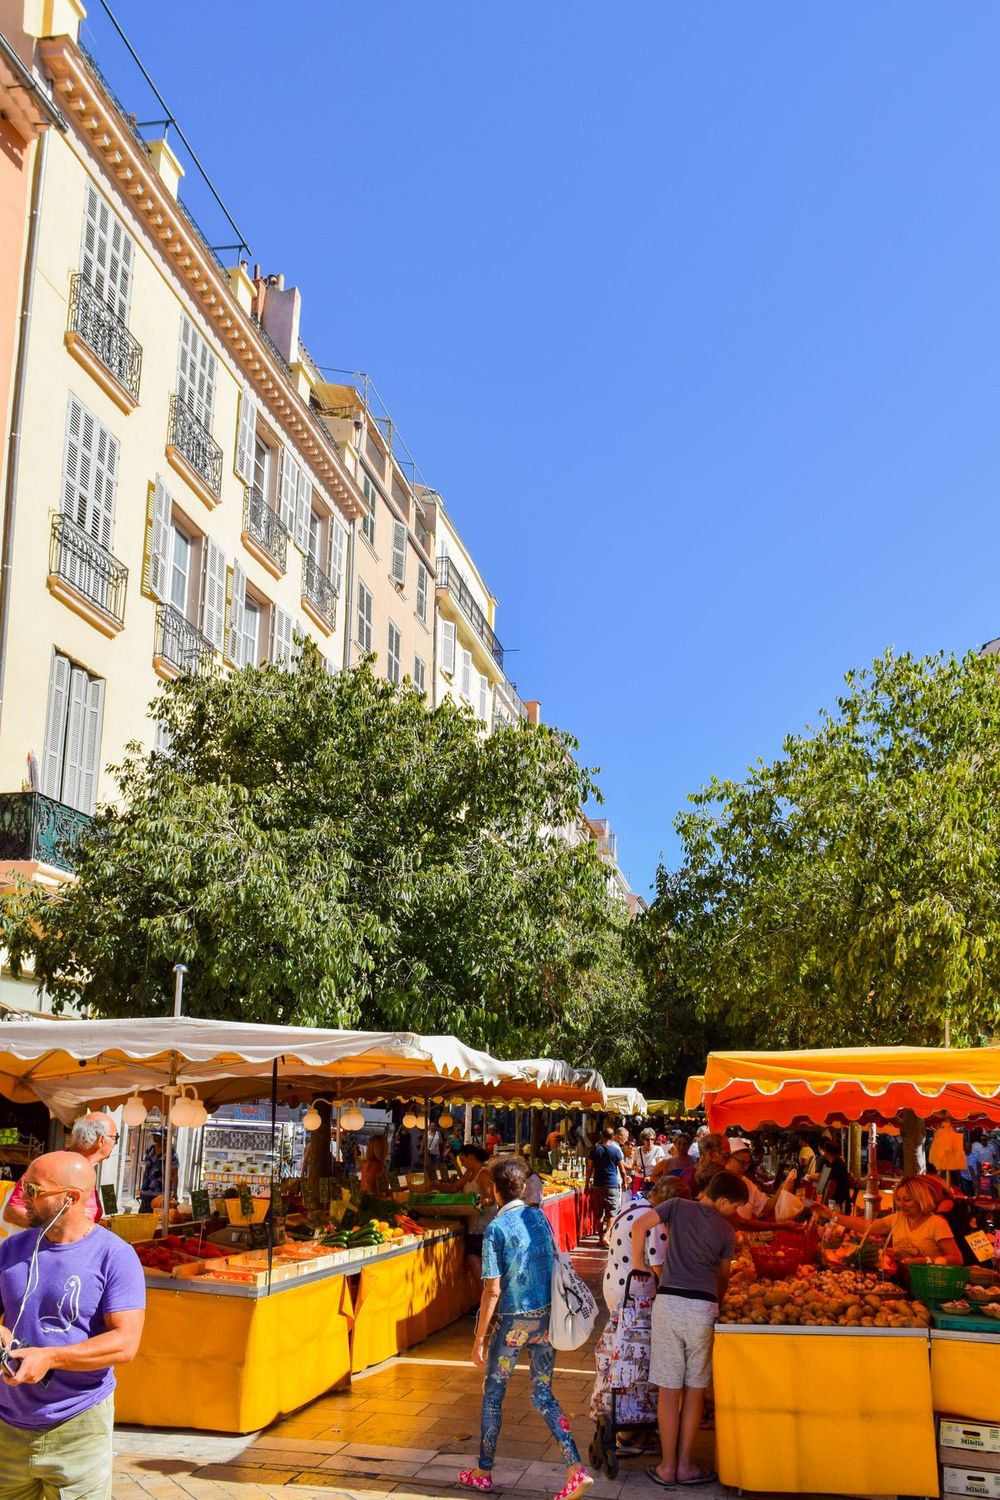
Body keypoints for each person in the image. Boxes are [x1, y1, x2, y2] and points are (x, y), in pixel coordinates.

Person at [0, 1151, 145, 1499]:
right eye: (23, 1187)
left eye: (34, 1190)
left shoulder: (116, 1255)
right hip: (7, 1424)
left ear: (71, 1198)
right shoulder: (11, 1249)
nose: (22, 1199)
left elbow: (125, 1343)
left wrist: (51, 1357)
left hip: (78, 1424)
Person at [461, 1156, 592, 1500]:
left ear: (495, 1189)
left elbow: (492, 1289)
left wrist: (478, 1340)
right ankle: (575, 1467)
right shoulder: (539, 1216)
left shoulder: (496, 1229)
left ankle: (484, 1471)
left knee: (493, 1395)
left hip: (513, 1322)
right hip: (546, 1320)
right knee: (543, 1393)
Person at [630, 1170, 750, 1488]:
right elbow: (722, 1277)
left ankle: (667, 1467)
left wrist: (638, 1263)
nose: (734, 1213)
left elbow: (640, 1225)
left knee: (669, 1390)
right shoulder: (726, 1230)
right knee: (695, 1390)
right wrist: (718, 1302)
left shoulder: (677, 1206)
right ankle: (685, 1465)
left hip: (668, 1304)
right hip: (702, 1309)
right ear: (723, 1200)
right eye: (734, 1206)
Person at [815, 1174, 963, 1265]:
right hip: (902, 1282)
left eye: (906, 1200)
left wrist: (928, 1261)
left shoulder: (936, 1223)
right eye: (898, 1199)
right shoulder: (897, 1219)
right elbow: (866, 1226)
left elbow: (957, 1258)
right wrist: (832, 1215)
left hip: (930, 1285)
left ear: (920, 1199)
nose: (901, 1204)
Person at [4, 1114, 117, 1231]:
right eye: (115, 1138)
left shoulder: (87, 1169)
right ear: (101, 1140)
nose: (115, 1143)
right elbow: (12, 1211)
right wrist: (64, 1229)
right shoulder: (50, 1166)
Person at [726, 1138, 796, 1221]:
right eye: (741, 1163)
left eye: (747, 1163)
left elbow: (764, 1208)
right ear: (728, 1160)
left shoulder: (746, 1183)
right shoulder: (716, 1183)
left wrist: (781, 1188)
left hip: (742, 1234)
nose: (745, 1168)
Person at [458, 1145, 496, 1283]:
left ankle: (486, 1296)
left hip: (484, 1225)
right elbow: (455, 1187)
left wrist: (482, 1202)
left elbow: (491, 1198)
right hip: (472, 1225)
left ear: (471, 1157)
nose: (462, 1164)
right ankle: (486, 1296)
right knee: (474, 1258)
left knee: (474, 1258)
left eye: (463, 1160)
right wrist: (437, 1185)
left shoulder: (484, 1173)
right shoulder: (468, 1173)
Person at [586, 1127, 628, 1248]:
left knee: (598, 1214)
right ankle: (607, 1234)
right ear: (612, 1136)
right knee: (612, 1213)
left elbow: (589, 1168)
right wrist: (624, 1183)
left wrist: (587, 1182)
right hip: (612, 1185)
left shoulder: (595, 1150)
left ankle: (600, 1238)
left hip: (598, 1185)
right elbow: (622, 1170)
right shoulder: (616, 1151)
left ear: (602, 1136)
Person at [137, 1133, 179, 1213]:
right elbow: (146, 1169)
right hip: (147, 1189)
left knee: (159, 1216)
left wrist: (175, 1191)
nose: (154, 1137)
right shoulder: (150, 1149)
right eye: (154, 1135)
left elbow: (174, 1174)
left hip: (161, 1191)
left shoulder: (171, 1153)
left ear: (163, 1137)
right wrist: (142, 1187)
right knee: (144, 1215)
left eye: (157, 1135)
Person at [816, 1138, 853, 1212]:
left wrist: (824, 1204)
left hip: (839, 1205)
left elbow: (831, 1185)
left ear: (826, 1152)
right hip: (841, 1203)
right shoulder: (839, 1162)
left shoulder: (836, 1164)